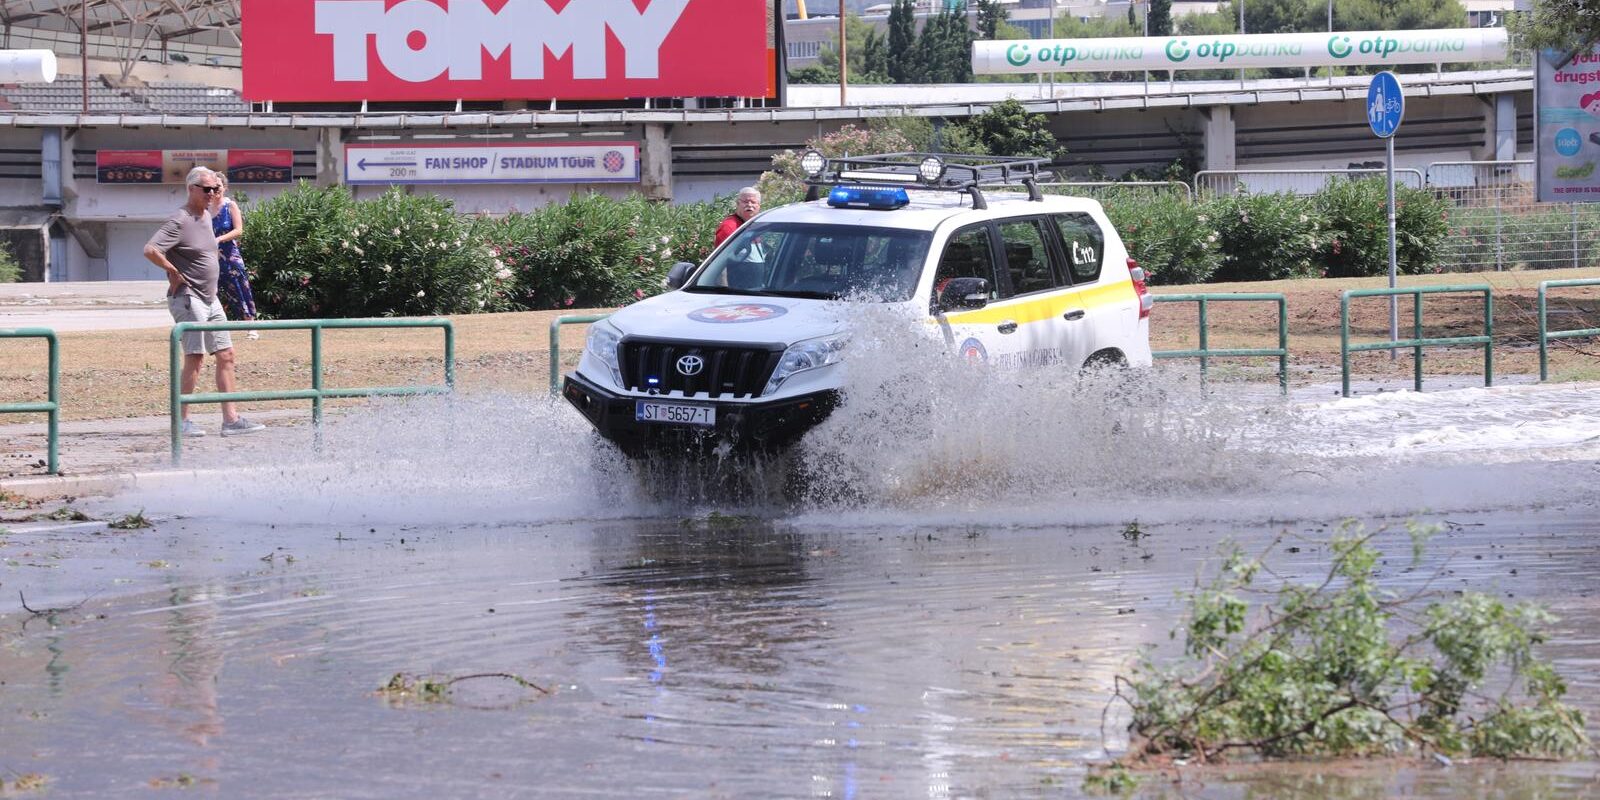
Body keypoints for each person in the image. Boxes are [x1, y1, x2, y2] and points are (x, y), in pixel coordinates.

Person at [144, 166, 265, 438]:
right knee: (195, 357)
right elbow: (151, 249)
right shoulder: (181, 219)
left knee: (226, 354)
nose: (212, 193)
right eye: (207, 189)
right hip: (189, 297)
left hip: (211, 298)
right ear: (191, 189)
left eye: (215, 189)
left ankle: (231, 420)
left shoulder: (206, 217)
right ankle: (181, 420)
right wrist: (172, 270)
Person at [209, 172, 259, 339]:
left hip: (229, 256)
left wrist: (219, 239)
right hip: (209, 258)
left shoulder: (230, 205)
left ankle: (251, 327)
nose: (215, 190)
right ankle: (206, 328)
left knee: (239, 289)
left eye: (218, 186)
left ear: (225, 187)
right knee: (209, 291)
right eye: (211, 187)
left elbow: (238, 230)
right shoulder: (205, 208)